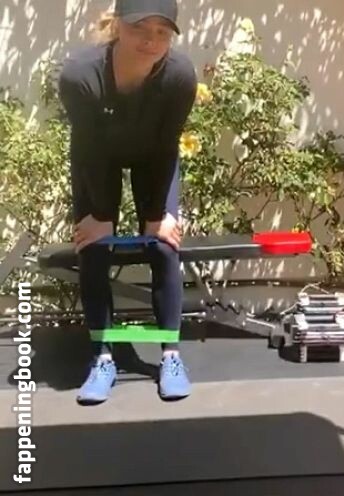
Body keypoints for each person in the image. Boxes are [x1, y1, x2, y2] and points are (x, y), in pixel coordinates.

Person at [58, 0, 197, 404]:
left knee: (164, 243)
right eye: (140, 28)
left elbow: (167, 144)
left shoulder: (179, 76)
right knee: (94, 245)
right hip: (97, 157)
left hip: (153, 156)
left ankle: (171, 356)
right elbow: (89, 147)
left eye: (162, 32)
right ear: (118, 26)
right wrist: (101, 215)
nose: (151, 40)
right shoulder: (80, 74)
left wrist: (157, 216)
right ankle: (102, 357)